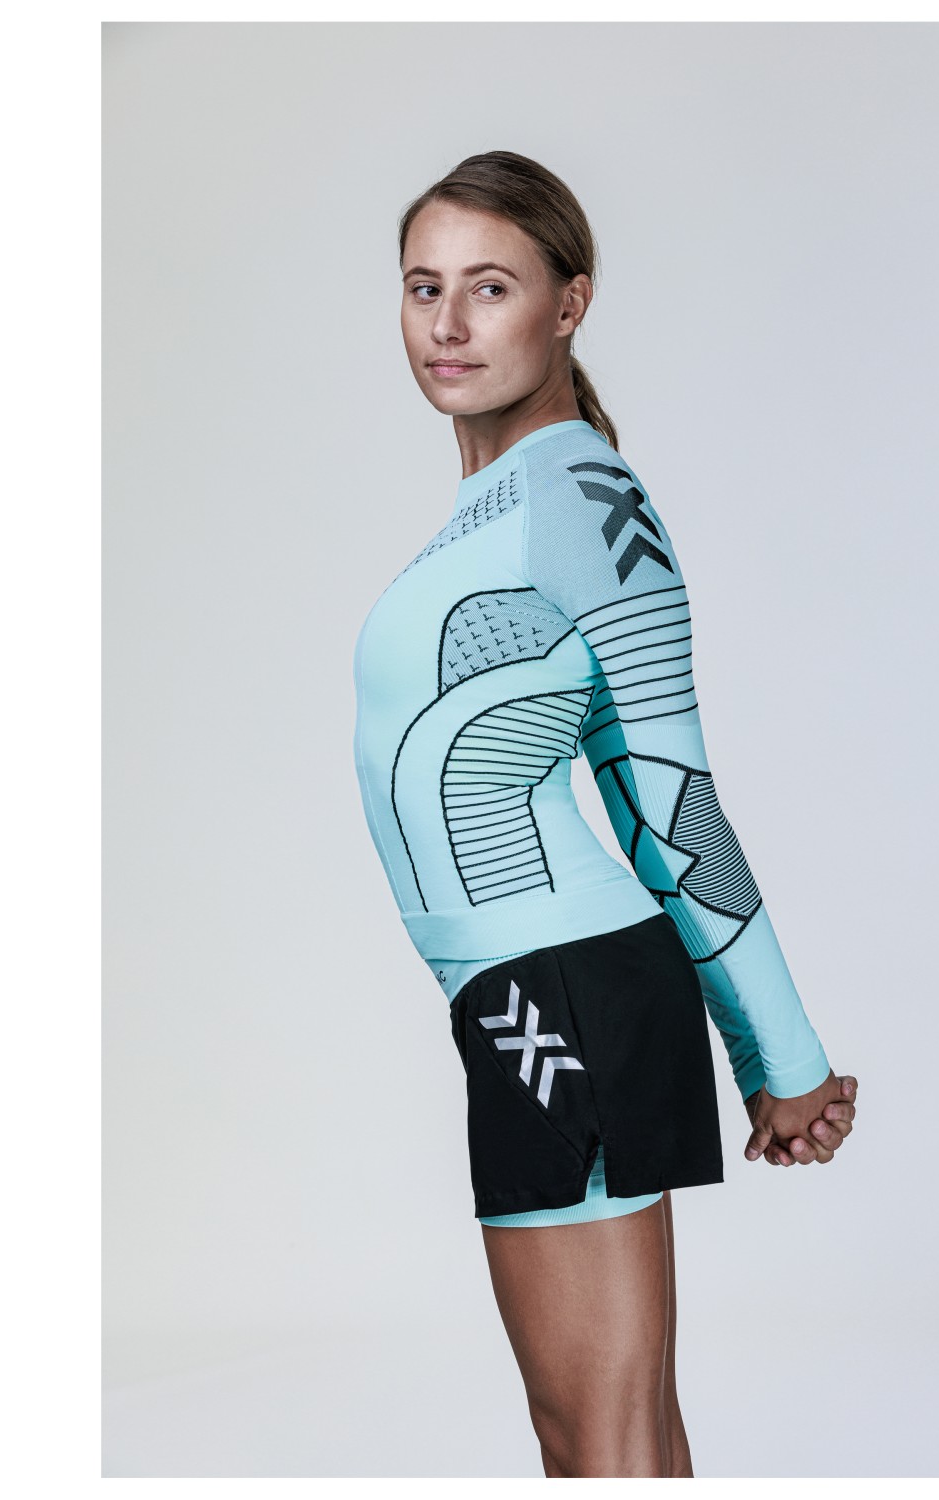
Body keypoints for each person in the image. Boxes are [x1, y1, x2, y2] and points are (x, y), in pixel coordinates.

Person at [352, 150, 859, 1478]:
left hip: (562, 993)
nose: (448, 324)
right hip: (531, 991)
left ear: (568, 304)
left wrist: (784, 1057)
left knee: (601, 1440)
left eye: (491, 287)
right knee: (603, 1437)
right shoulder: (504, 505)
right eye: (423, 287)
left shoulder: (583, 500)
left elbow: (668, 796)